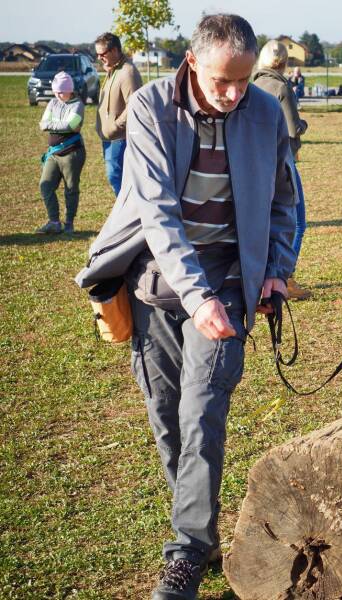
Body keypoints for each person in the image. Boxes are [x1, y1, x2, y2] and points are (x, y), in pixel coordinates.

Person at [75, 14, 297, 600]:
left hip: (226, 283)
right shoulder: (150, 106)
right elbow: (158, 213)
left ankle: (188, 552)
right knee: (167, 416)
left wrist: (275, 270)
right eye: (223, 81)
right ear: (192, 63)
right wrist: (193, 298)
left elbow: (284, 202)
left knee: (202, 412)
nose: (234, 94)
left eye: (244, 81)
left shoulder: (265, 113)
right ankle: (198, 527)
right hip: (155, 281)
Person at [253, 40, 312, 300]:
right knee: (297, 222)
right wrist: (303, 125)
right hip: (281, 161)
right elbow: (292, 129)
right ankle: (286, 277)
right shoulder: (281, 87)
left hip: (255, 163)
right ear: (285, 61)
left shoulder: (252, 85)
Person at [94, 32, 142, 197]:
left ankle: (127, 209)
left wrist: (115, 126)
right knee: (115, 178)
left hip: (120, 138)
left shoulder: (127, 72)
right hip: (109, 138)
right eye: (97, 54)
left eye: (102, 54)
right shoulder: (113, 70)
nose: (99, 58)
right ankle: (125, 208)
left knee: (117, 177)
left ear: (114, 50)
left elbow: (134, 106)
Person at [36, 71, 85, 235]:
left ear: (69, 90)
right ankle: (54, 222)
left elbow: (71, 125)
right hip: (54, 154)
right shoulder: (52, 103)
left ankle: (69, 223)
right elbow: (43, 124)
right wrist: (59, 124)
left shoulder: (78, 105)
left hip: (72, 153)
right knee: (45, 186)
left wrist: (51, 124)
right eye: (55, 91)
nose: (57, 94)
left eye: (61, 91)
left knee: (71, 189)